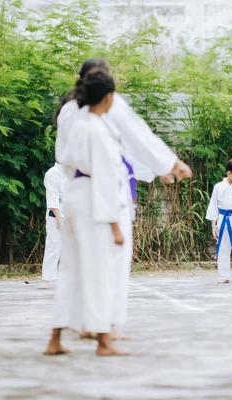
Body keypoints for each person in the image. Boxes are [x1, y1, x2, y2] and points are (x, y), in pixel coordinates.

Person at [54, 58, 192, 340]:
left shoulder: (69, 110)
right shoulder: (104, 109)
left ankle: (79, 324)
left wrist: (158, 167)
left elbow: (120, 147)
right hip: (102, 192)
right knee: (110, 260)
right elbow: (135, 138)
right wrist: (167, 164)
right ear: (105, 87)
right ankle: (107, 326)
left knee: (74, 264)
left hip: (75, 189)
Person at [45, 69, 128, 356]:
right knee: (98, 271)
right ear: (108, 98)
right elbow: (105, 179)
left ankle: (55, 338)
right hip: (94, 200)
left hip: (74, 197)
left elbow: (65, 160)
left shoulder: (75, 125)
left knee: (69, 271)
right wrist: (116, 227)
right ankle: (104, 341)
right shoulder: (98, 130)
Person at [39, 162, 66, 290]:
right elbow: (52, 197)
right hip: (56, 216)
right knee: (53, 246)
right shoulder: (53, 173)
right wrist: (58, 217)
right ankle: (46, 279)